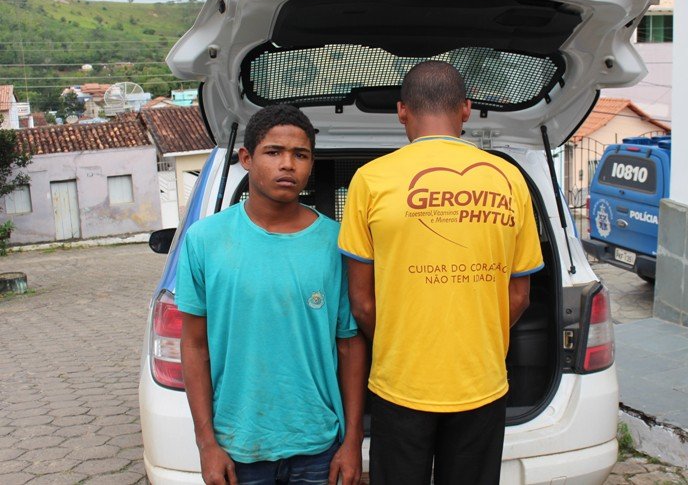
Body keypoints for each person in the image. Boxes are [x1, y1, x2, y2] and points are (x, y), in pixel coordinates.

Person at [338, 61, 544, 485]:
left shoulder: (370, 180)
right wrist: (477, 338)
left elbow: (361, 302)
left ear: (401, 110)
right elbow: (520, 296)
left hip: (400, 383)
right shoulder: (509, 179)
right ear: (466, 109)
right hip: (481, 381)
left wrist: (401, 341)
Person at [177, 104, 367, 485]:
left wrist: (352, 441)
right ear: (247, 158)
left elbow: (349, 345)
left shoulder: (336, 243)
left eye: (301, 155)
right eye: (274, 152)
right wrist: (206, 444)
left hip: (319, 446)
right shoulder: (205, 240)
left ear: (311, 164)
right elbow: (194, 346)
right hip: (237, 447)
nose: (288, 164)